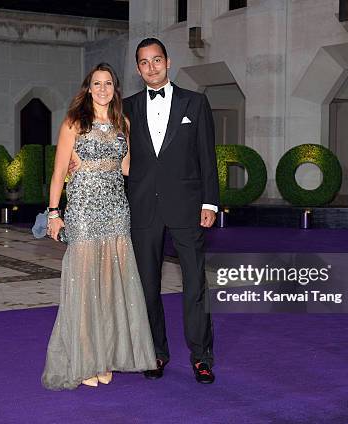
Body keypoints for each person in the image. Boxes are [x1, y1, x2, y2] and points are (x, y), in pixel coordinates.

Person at [41, 63, 156, 390]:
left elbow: (128, 168)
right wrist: (53, 212)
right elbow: (59, 170)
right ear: (88, 88)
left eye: (108, 83)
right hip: (84, 211)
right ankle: (83, 361)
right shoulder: (74, 123)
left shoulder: (124, 124)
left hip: (117, 212)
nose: (103, 88)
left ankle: (104, 358)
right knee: (84, 286)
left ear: (114, 89)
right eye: (97, 83)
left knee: (109, 287)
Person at [123, 38, 220, 384]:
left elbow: (207, 156)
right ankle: (155, 353)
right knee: (147, 286)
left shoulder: (196, 102)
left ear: (168, 61)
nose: (151, 67)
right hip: (143, 207)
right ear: (138, 68)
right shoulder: (127, 108)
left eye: (157, 60)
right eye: (144, 63)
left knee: (194, 283)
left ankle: (202, 356)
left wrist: (210, 202)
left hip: (187, 207)